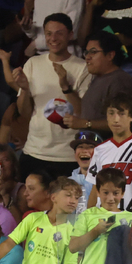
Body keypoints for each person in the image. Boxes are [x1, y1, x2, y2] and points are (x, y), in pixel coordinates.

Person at [15, 12, 91, 179]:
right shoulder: (33, 63)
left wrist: (65, 86)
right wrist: (25, 90)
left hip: (68, 155)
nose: (53, 38)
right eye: (49, 33)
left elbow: (83, 113)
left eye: (59, 33)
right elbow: (25, 113)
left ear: (70, 35)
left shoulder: (82, 67)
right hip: (34, 151)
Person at [66, 167, 132, 264]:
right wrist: (96, 231)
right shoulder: (88, 214)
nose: (110, 198)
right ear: (98, 192)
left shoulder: (129, 217)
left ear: (123, 193)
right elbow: (73, 247)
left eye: (115, 193)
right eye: (105, 193)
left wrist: (128, 239)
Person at [86, 93, 132, 214]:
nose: (116, 119)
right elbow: (95, 189)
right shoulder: (99, 149)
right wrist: (88, 221)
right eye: (111, 113)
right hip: (102, 220)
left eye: (121, 114)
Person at [69, 32, 132, 135]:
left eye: (93, 52)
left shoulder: (120, 81)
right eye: (86, 52)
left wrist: (85, 124)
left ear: (110, 55)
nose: (87, 57)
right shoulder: (98, 78)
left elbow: (123, 122)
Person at [70, 133, 97, 209]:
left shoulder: (107, 181)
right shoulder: (67, 183)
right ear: (75, 154)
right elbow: (62, 216)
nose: (84, 150)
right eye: (80, 147)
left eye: (90, 147)